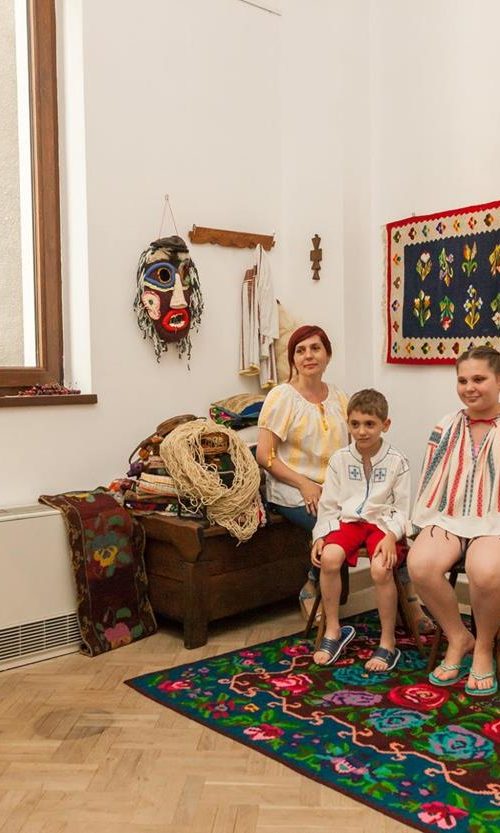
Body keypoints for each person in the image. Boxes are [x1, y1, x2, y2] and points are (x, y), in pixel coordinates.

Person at [408, 345, 500, 697]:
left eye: (479, 379)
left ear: (498, 380)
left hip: (494, 518)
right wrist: (427, 522)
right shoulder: (446, 425)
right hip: (449, 514)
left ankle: (484, 647)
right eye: (462, 380)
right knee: (420, 564)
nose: (469, 387)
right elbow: (432, 478)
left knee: (485, 570)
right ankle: (459, 636)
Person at [311, 389, 410, 670]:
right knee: (329, 559)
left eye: (369, 424)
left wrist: (391, 536)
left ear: (385, 425)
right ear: (348, 424)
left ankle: (387, 642)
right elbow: (329, 504)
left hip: (383, 524)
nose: (362, 431)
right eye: (355, 424)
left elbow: (402, 509)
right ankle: (333, 630)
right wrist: (321, 536)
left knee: (380, 569)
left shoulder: (397, 461)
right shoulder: (339, 459)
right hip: (349, 521)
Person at [256, 325, 349, 617]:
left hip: (334, 490)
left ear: (327, 355)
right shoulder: (282, 397)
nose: (308, 355)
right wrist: (304, 484)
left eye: (315, 348)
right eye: (300, 350)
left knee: (380, 519)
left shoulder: (339, 397)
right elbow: (264, 455)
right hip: (292, 489)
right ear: (293, 359)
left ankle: (409, 599)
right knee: (332, 526)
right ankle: (310, 586)